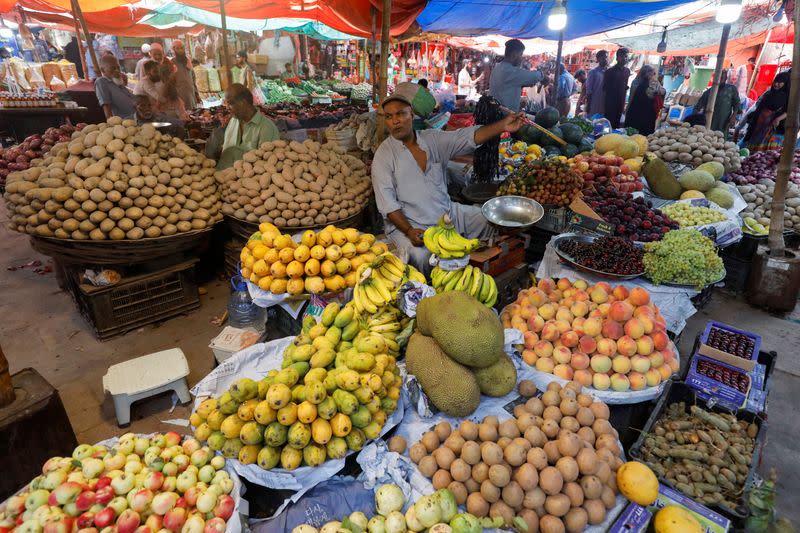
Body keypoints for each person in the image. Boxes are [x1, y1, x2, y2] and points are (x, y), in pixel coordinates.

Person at [372, 84, 526, 272]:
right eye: (389, 116)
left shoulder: (432, 139)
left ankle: (496, 264)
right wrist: (409, 231)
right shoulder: (384, 155)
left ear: (412, 115)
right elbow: (387, 205)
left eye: (400, 114)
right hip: (411, 224)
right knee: (422, 256)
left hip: (446, 215)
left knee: (488, 220)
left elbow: (467, 137)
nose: (395, 121)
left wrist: (502, 125)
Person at [211, 83, 279, 169]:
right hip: (223, 176)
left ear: (243, 103)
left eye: (230, 103)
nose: (227, 107)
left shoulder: (267, 128)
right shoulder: (233, 121)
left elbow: (267, 165)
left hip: (248, 180)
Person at [736, 70, 791, 152]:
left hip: (773, 126)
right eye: (776, 81)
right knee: (752, 141)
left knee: (764, 148)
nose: (776, 84)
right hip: (760, 121)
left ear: (786, 84)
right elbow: (759, 106)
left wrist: (778, 119)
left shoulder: (788, 97)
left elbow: (788, 110)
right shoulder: (769, 93)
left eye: (780, 82)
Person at [489, 39, 543, 111]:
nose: (521, 58)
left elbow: (505, 87)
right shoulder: (509, 71)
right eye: (520, 54)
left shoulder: (498, 67)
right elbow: (535, 76)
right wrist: (543, 75)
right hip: (504, 117)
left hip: (495, 113)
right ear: (514, 55)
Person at [693, 70, 741, 137]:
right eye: (717, 78)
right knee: (707, 140)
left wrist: (733, 117)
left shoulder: (731, 89)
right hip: (708, 123)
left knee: (721, 140)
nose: (719, 80)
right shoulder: (708, 92)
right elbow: (697, 107)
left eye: (721, 78)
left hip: (723, 121)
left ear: (725, 78)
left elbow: (737, 104)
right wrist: (693, 119)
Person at [624, 65, 665, 135]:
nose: (653, 75)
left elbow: (663, 91)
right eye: (652, 73)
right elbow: (631, 98)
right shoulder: (638, 82)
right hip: (642, 115)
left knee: (635, 135)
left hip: (642, 114)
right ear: (646, 73)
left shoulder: (652, 83)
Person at [95, 55, 135, 119]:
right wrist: (113, 126)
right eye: (113, 68)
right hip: (125, 123)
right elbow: (106, 107)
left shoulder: (117, 80)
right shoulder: (101, 82)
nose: (117, 70)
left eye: (118, 68)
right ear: (103, 70)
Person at [603, 47, 630, 128]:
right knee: (608, 125)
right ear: (617, 58)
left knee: (617, 125)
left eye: (626, 56)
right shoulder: (609, 72)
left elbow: (625, 86)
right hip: (610, 104)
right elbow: (604, 89)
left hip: (621, 103)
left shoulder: (627, 71)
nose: (625, 59)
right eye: (623, 56)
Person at [171, 40, 198, 110]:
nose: (180, 50)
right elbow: (170, 82)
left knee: (194, 114)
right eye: (178, 48)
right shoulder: (171, 63)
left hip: (191, 94)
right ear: (174, 49)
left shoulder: (188, 61)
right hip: (180, 96)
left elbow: (193, 78)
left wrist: (196, 93)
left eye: (182, 48)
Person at [585, 50, 608, 117]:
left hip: (605, 105)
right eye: (603, 58)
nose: (605, 60)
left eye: (606, 57)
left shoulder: (609, 72)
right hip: (594, 104)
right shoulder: (593, 72)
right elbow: (589, 91)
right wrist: (588, 106)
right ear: (598, 59)